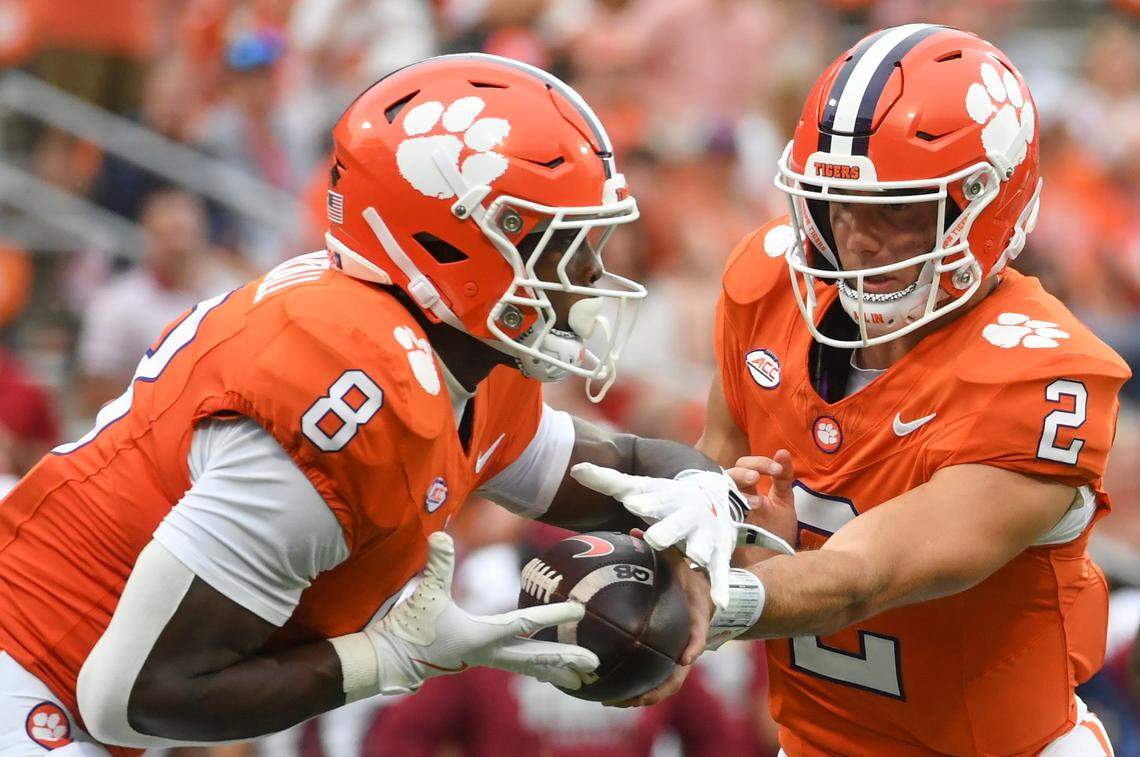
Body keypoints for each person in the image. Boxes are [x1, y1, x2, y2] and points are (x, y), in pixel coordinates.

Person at [0, 55, 757, 755]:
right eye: (562, 245)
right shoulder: (349, 391)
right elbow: (131, 694)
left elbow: (613, 470)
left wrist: (705, 498)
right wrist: (386, 658)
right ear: (455, 245)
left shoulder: (452, 355)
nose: (591, 275)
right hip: (32, 678)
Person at [609, 24, 1129, 756]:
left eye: (901, 209)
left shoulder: (1041, 375)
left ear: (990, 203)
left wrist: (717, 602)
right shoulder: (767, 290)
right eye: (837, 204)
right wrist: (723, 541)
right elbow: (715, 475)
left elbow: (864, 575)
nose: (858, 237)